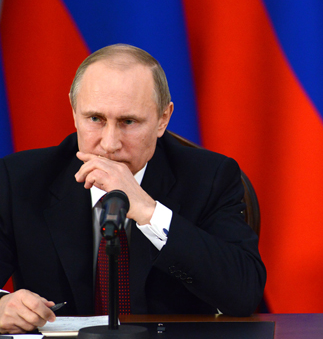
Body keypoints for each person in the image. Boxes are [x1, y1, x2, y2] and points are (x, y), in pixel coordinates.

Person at [0, 44, 266, 333]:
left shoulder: (209, 178)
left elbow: (244, 293)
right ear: (74, 112)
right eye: (95, 119)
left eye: (128, 122)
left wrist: (149, 211)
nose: (110, 144)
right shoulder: (20, 179)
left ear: (163, 119)